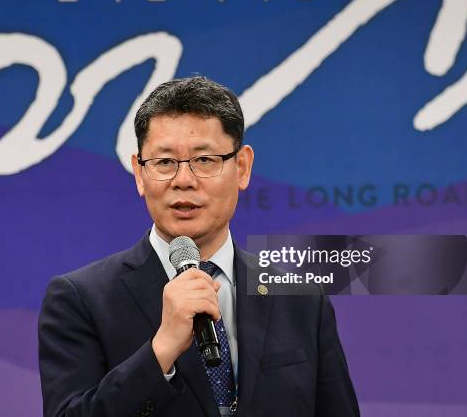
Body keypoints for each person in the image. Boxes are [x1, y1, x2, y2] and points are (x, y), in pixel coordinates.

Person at [38, 76, 359, 417]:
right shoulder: (80, 299)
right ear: (138, 173)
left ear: (242, 167)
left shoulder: (300, 299)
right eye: (164, 162)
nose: (184, 180)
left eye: (205, 160)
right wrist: (160, 352)